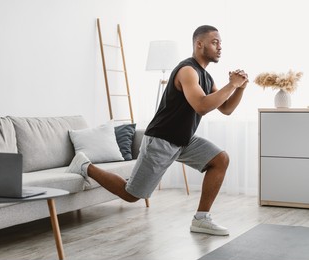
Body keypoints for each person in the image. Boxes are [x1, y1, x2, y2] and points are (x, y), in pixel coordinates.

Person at [66, 25, 249, 236]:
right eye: (214, 42)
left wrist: (239, 88)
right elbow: (202, 106)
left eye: (220, 43)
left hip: (183, 140)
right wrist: (232, 84)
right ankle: (85, 166)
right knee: (132, 194)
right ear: (199, 44)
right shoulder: (187, 70)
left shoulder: (206, 77)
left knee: (220, 160)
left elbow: (226, 109)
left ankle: (201, 219)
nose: (219, 47)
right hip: (161, 139)